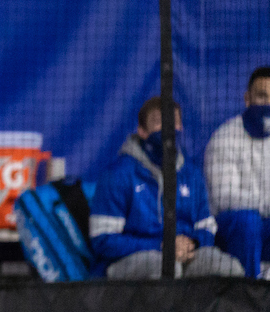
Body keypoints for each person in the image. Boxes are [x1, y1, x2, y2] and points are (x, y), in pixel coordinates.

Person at [89, 96, 242, 279]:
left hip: (184, 255)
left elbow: (207, 228)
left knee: (229, 268)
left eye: (174, 122)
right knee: (167, 269)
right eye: (159, 123)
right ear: (142, 131)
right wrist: (162, 246)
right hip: (126, 262)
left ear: (181, 128)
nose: (168, 129)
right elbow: (103, 239)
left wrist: (191, 243)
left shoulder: (191, 174)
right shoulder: (117, 175)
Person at [204, 66, 270, 278]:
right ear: (247, 98)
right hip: (232, 229)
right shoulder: (224, 138)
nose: (268, 103)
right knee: (247, 221)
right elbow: (224, 197)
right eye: (262, 96)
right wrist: (264, 204)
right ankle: (250, 294)